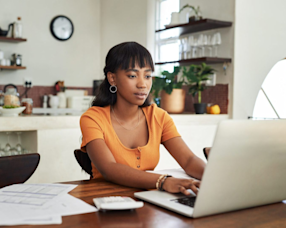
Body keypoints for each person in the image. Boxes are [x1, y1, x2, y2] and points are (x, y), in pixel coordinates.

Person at [79, 42, 206, 196]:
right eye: (132, 76)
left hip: (148, 201)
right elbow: (109, 168)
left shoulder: (158, 117)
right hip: (104, 202)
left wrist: (214, 178)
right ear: (112, 78)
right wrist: (163, 181)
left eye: (147, 76)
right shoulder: (93, 118)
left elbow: (189, 160)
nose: (143, 84)